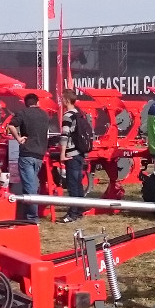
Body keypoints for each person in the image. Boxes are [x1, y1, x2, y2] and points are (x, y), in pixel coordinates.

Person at [10, 94, 52, 221]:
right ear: (38, 102)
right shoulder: (45, 115)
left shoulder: (23, 113)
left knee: (30, 187)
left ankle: (32, 218)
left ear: (26, 103)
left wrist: (18, 138)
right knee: (31, 183)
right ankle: (26, 214)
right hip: (40, 154)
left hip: (27, 153)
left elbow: (11, 125)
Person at [58, 92, 91, 223]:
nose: (61, 101)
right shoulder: (79, 114)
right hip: (80, 152)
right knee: (78, 183)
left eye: (62, 98)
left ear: (67, 100)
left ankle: (72, 213)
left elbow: (64, 135)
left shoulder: (67, 115)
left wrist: (62, 153)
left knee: (72, 184)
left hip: (71, 154)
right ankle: (79, 210)